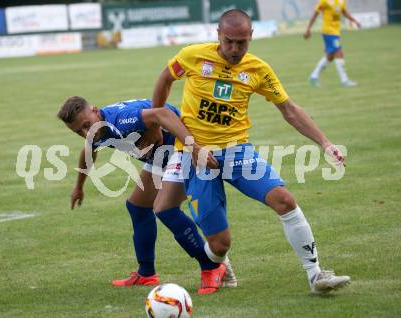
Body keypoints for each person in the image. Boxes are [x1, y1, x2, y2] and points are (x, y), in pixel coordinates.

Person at [150, 9, 351, 295]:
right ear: (218, 35)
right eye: (229, 41)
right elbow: (165, 79)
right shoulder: (192, 56)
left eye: (241, 43)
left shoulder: (258, 70)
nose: (234, 49)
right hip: (194, 157)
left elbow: (289, 110)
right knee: (219, 245)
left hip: (237, 152)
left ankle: (315, 275)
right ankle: (218, 263)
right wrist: (159, 119)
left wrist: (325, 143)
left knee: (285, 200)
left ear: (251, 37)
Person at [57, 97, 237, 290]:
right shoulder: (95, 130)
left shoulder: (121, 119)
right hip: (161, 157)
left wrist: (155, 127)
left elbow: (164, 113)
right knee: (137, 207)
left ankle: (212, 267)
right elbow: (88, 152)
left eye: (86, 125)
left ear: (95, 110)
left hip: (182, 147)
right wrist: (78, 186)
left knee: (165, 209)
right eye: (78, 131)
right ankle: (146, 273)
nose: (85, 133)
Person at [304, 0, 361, 87]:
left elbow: (344, 12)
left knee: (330, 57)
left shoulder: (341, 1)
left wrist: (355, 21)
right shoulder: (324, 1)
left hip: (335, 32)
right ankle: (344, 80)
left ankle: (313, 76)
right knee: (339, 53)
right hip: (328, 32)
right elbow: (315, 14)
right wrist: (308, 29)